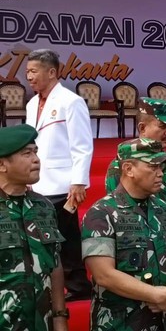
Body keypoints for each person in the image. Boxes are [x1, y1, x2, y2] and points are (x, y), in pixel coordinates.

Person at [104, 97, 166, 330]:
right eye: (162, 126)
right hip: (140, 269)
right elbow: (118, 217)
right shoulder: (121, 165)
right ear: (142, 128)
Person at [81, 138, 166, 330]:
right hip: (123, 322)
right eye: (152, 167)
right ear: (128, 169)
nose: (160, 174)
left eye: (161, 167)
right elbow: (103, 274)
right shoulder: (101, 213)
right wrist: (155, 295)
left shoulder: (165, 209)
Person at [24, 48, 93, 301]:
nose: (29, 77)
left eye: (33, 71)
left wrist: (78, 182)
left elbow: (82, 145)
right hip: (37, 181)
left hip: (63, 183)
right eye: (27, 72)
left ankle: (78, 286)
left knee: (66, 237)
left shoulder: (71, 101)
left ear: (51, 72)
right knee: (44, 235)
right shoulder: (32, 103)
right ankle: (53, 282)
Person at [0, 124, 68, 331]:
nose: (36, 159)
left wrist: (59, 317)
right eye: (26, 153)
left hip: (41, 321)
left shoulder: (43, 206)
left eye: (36, 152)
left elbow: (54, 264)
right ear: (2, 165)